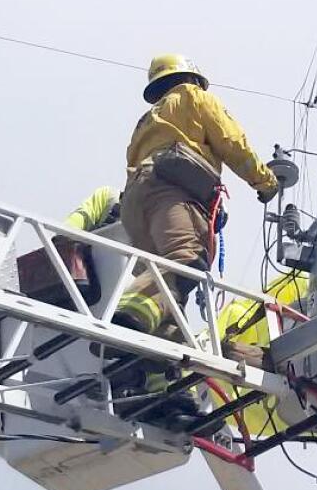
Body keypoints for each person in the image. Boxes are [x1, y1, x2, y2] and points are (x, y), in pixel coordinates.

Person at [116, 54, 278, 338]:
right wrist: (265, 182)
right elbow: (232, 142)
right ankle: (125, 318)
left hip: (135, 203)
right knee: (185, 260)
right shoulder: (194, 97)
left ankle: (153, 360)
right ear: (192, 77)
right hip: (170, 191)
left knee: (169, 292)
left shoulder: (148, 120)